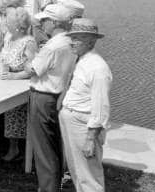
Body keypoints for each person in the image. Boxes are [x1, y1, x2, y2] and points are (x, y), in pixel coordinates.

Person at [23, 4, 77, 192]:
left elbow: (33, 69)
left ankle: (47, 188)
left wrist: (28, 57)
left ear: (54, 23)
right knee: (53, 145)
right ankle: (54, 184)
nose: (42, 24)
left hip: (43, 97)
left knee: (43, 148)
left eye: (45, 20)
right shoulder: (70, 41)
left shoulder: (52, 46)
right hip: (58, 96)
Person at [60, 18, 112, 192]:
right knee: (77, 170)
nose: (72, 42)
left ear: (92, 41)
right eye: (71, 38)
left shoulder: (98, 68)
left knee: (89, 175)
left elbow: (101, 107)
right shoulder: (82, 60)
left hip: (83, 125)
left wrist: (90, 139)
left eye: (78, 38)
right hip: (71, 120)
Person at [0, 7, 38, 162]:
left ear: (17, 26)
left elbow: (33, 69)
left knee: (14, 115)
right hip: (4, 81)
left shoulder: (29, 42)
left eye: (8, 22)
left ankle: (16, 149)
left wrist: (14, 76)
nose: (5, 23)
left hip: (19, 84)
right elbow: (3, 56)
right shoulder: (9, 37)